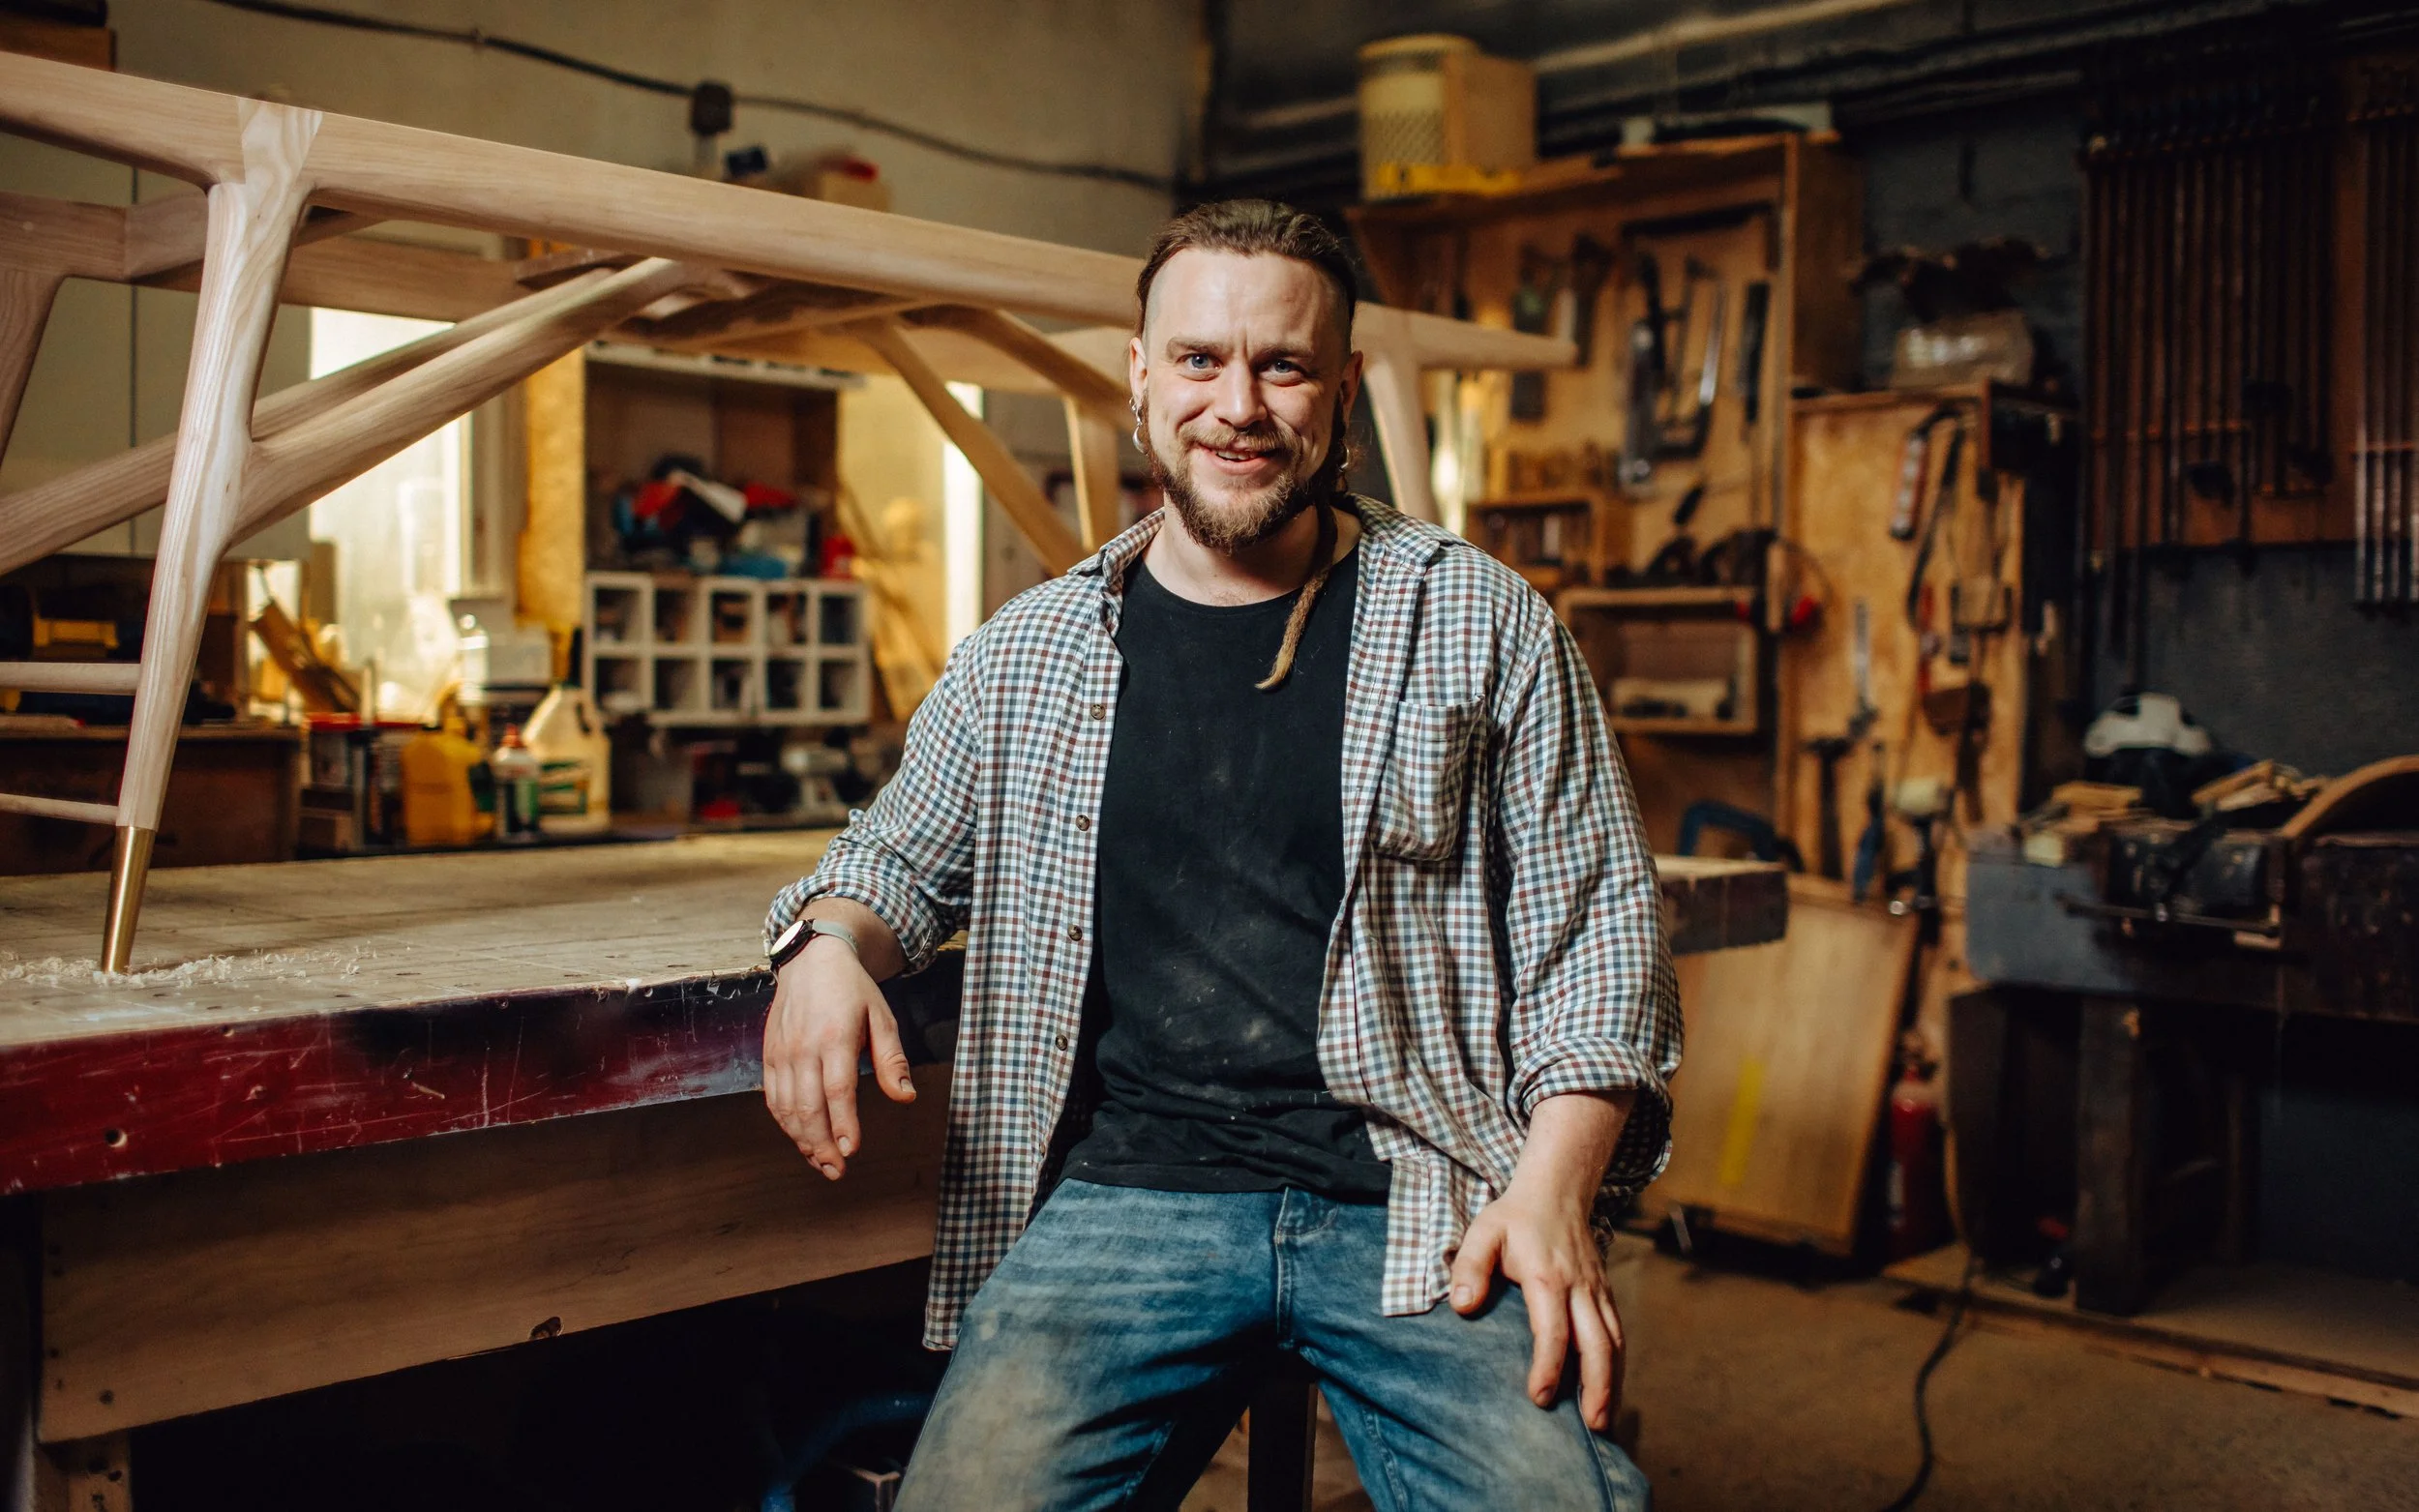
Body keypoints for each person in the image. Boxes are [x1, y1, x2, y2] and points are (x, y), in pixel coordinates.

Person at [761, 198, 1680, 1510]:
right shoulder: (1030, 653)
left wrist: (1551, 1191)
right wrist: (833, 944)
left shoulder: (1481, 623)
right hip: (1132, 1197)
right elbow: (895, 859)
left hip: (1417, 1203)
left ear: (1344, 388)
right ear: (1142, 377)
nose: (1237, 404)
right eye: (1199, 360)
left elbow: (1600, 954)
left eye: (1282, 364)